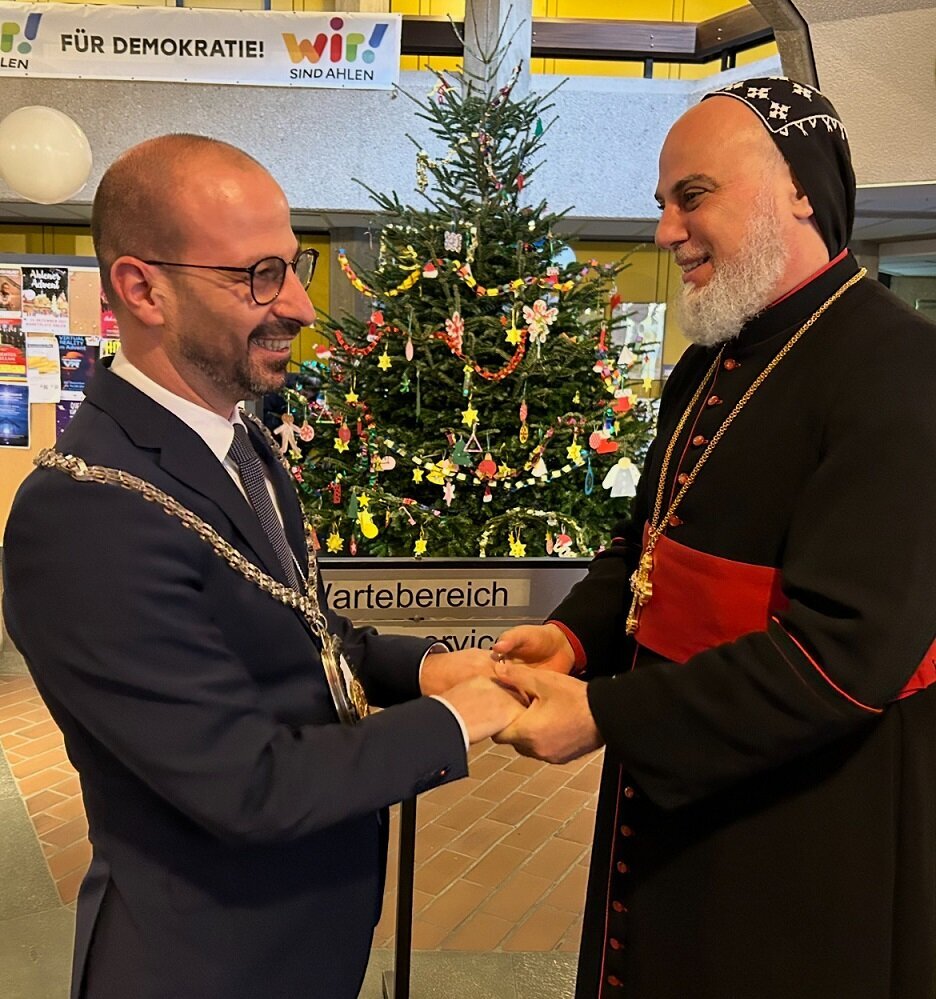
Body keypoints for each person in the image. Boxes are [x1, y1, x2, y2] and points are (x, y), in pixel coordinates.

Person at [1, 134, 523, 999]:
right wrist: (465, 719)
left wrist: (431, 667)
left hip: (301, 942)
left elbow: (301, 630)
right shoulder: (84, 512)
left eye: (294, 265)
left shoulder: (237, 439)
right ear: (142, 289)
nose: (304, 307)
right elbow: (247, 784)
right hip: (201, 963)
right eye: (259, 276)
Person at [492, 77, 936, 999]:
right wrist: (576, 635)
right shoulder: (706, 361)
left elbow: (840, 659)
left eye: (692, 197)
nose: (665, 231)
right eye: (662, 204)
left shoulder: (901, 370)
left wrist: (605, 715)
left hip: (805, 828)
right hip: (674, 791)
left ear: (800, 189)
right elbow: (645, 543)